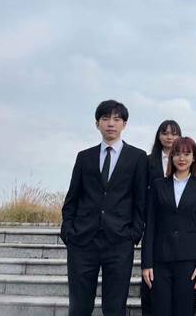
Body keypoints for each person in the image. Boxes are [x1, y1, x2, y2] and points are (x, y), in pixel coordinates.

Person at [61, 100, 148, 316]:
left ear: (124, 124)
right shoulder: (84, 157)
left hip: (119, 241)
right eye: (105, 118)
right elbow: (72, 198)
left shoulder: (137, 157)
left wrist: (134, 234)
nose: (111, 123)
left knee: (114, 307)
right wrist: (68, 231)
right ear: (97, 124)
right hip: (83, 240)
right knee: (79, 306)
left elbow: (140, 200)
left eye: (116, 119)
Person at [141, 137, 196, 316]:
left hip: (189, 260)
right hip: (160, 259)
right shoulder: (158, 185)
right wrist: (146, 264)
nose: (182, 158)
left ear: (194, 158)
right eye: (177, 154)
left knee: (184, 310)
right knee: (160, 310)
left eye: (187, 154)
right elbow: (150, 225)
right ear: (171, 157)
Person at [142, 120, 181, 315]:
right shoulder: (148, 161)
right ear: (159, 136)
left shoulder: (185, 160)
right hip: (153, 217)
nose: (169, 137)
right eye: (165, 133)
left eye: (173, 133)